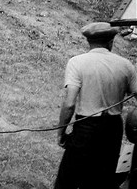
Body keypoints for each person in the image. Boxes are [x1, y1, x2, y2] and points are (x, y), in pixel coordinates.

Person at [54, 22, 137, 189]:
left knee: (68, 177)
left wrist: (61, 133)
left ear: (89, 42)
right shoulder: (126, 65)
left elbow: (69, 104)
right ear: (111, 42)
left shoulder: (77, 63)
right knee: (102, 179)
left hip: (86, 127)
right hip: (112, 129)